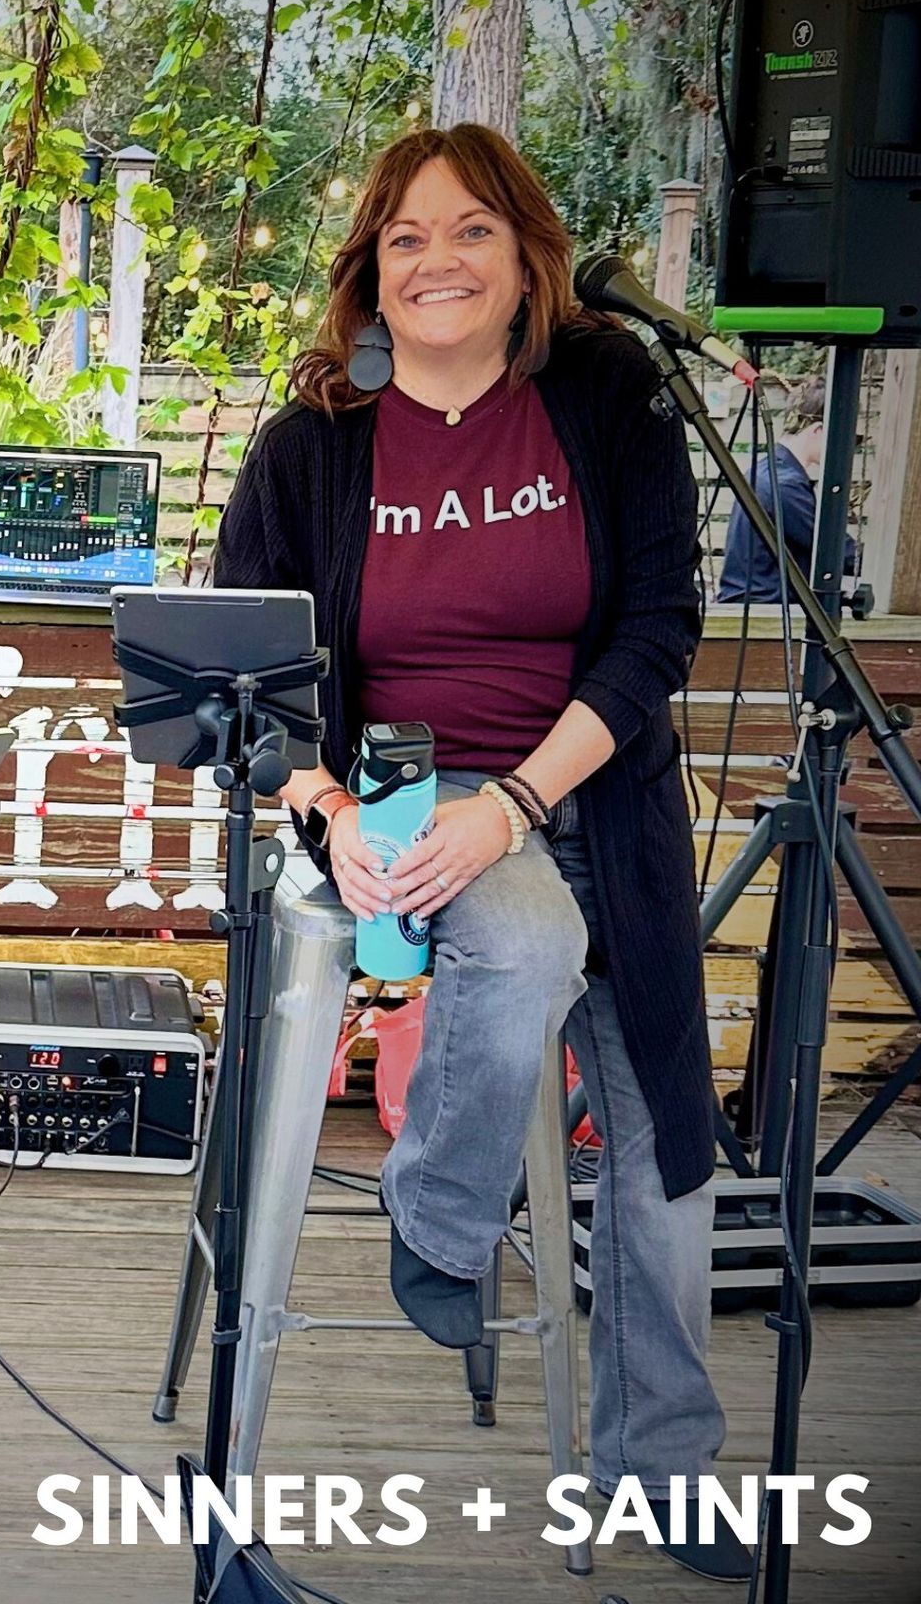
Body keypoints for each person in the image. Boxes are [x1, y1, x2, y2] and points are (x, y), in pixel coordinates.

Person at [215, 124, 741, 1583]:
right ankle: (442, 1211)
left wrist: (519, 800)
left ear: (529, 265)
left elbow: (658, 633)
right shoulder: (311, 448)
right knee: (519, 940)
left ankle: (662, 1471)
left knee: (661, 1136)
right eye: (405, 239)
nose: (437, 260)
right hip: (398, 796)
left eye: (471, 234)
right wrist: (330, 808)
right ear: (370, 279)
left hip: (594, 796)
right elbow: (240, 683)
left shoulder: (610, 398)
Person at [717, 373, 859, 604]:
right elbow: (831, 550)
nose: (846, 446)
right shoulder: (785, 484)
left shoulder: (769, 470)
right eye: (845, 435)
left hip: (755, 601)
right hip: (765, 609)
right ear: (819, 430)